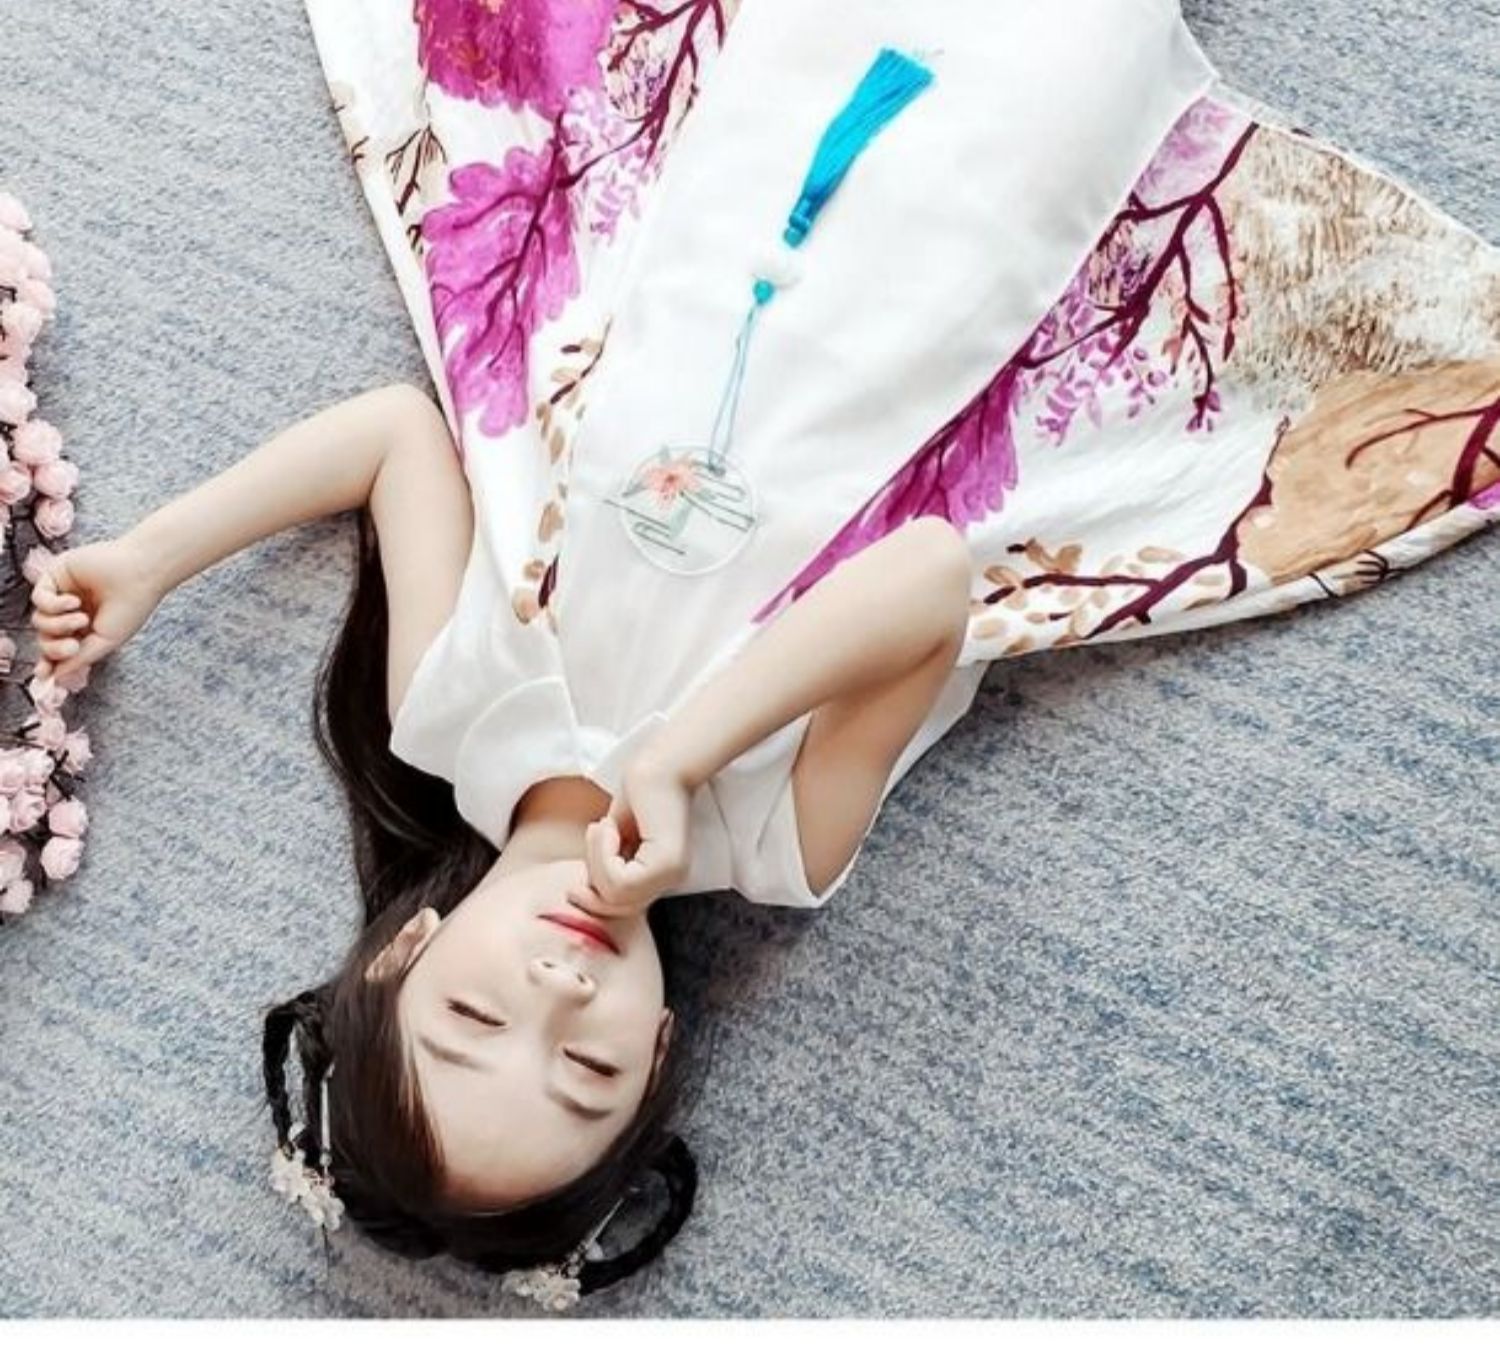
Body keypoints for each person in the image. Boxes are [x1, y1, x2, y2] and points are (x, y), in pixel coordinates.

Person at [35, 0, 1500, 1307]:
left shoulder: (446, 717)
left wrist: (151, 558)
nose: (555, 994)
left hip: (737, 181)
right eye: (589, 1065)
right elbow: (929, 581)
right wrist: (684, 757)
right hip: (965, 245)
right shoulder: (773, 843)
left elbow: (394, 438)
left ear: (408, 951)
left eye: (477, 1013)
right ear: (663, 1044)